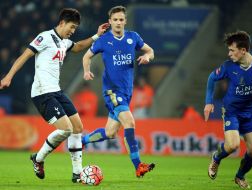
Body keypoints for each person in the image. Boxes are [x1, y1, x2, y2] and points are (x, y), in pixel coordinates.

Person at [0, 8, 109, 182]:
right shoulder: (44, 37)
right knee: (66, 129)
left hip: (56, 91)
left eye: (75, 28)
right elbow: (25, 56)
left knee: (78, 128)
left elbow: (79, 46)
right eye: (71, 27)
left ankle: (76, 173)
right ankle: (38, 158)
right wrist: (8, 76)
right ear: (61, 23)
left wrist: (96, 36)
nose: (72, 31)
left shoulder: (64, 42)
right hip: (42, 92)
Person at [81, 5, 155, 177]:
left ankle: (82, 140)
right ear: (110, 22)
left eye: (121, 19)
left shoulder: (133, 37)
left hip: (127, 92)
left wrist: (147, 57)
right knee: (130, 122)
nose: (118, 22)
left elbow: (150, 51)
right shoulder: (103, 40)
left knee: (110, 132)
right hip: (112, 92)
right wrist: (86, 71)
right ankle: (138, 166)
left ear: (125, 21)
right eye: (115, 20)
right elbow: (86, 56)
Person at [204, 31, 252, 189]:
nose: (229, 53)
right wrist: (208, 102)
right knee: (233, 146)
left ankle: (239, 176)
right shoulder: (228, 66)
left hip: (251, 113)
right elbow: (212, 78)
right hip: (232, 111)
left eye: (232, 50)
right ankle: (216, 158)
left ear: (243, 50)